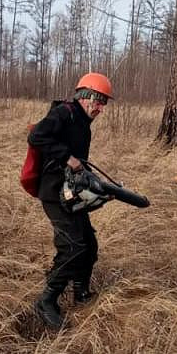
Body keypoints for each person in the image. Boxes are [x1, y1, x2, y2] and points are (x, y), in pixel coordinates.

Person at [28, 72, 112, 330]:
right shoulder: (64, 113)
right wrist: (68, 157)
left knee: (88, 242)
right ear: (86, 96)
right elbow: (36, 136)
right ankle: (47, 301)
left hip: (70, 193)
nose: (100, 108)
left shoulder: (83, 122)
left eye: (104, 103)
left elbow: (79, 162)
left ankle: (81, 292)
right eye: (99, 101)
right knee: (73, 247)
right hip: (53, 192)